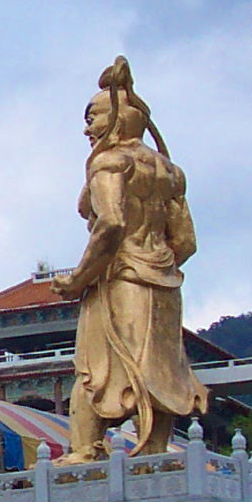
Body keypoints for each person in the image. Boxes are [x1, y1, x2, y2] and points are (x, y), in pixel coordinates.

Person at [52, 57, 209, 458]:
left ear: (118, 119)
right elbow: (186, 242)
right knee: (160, 367)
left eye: (93, 118)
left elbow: (111, 223)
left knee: (95, 370)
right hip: (162, 281)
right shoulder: (170, 172)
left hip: (119, 278)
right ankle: (155, 450)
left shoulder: (109, 162)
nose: (87, 129)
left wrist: (79, 279)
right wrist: (156, 263)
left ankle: (84, 450)